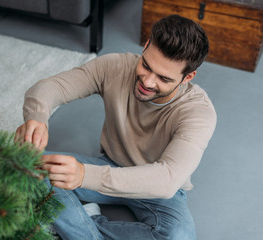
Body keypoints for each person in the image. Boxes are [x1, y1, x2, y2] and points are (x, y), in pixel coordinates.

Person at [15, 14, 217, 240]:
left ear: (188, 76)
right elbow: (51, 87)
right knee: (26, 166)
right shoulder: (116, 66)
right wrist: (37, 118)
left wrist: (84, 175)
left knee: (179, 236)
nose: (148, 81)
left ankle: (82, 223)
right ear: (147, 45)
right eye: (146, 66)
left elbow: (167, 179)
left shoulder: (199, 113)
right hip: (110, 163)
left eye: (163, 78)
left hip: (157, 188)